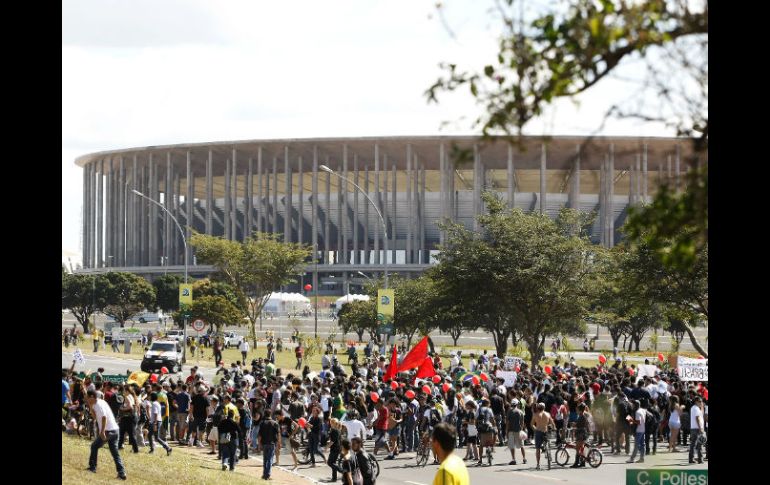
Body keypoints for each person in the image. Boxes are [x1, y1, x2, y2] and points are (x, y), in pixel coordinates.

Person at [85, 389, 127, 480]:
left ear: (92, 397)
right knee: (115, 453)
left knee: (94, 446)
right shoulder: (99, 402)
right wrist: (91, 407)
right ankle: (122, 473)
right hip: (115, 430)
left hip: (108, 431)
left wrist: (102, 431)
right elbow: (95, 417)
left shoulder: (99, 405)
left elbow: (104, 417)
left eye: (87, 397)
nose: (86, 399)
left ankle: (92, 468)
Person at [531, 402, 555, 471]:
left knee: (538, 448)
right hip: (546, 431)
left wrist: (535, 429)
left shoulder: (535, 414)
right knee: (548, 443)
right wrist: (553, 428)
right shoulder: (547, 414)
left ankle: (538, 464)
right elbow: (552, 423)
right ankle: (549, 453)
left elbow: (532, 424)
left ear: (538, 408)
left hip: (538, 431)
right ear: (544, 408)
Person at [258, 409, 280, 480]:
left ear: (264, 414)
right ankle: (267, 474)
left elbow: (259, 435)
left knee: (265, 459)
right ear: (271, 414)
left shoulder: (262, 423)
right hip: (272, 443)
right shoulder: (275, 423)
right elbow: (278, 434)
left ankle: (264, 474)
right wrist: (279, 443)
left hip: (264, 443)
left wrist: (259, 444)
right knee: (270, 459)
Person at [505, 398, 526, 465]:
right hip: (518, 430)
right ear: (517, 404)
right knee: (521, 445)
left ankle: (514, 459)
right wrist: (521, 429)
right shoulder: (520, 412)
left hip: (511, 430)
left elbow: (507, 422)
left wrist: (506, 430)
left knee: (512, 446)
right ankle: (524, 458)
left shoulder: (509, 412)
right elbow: (522, 422)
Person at [571, 403, 589, 468]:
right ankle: (582, 462)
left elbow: (578, 425)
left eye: (577, 410)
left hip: (581, 433)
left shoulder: (582, 416)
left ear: (580, 410)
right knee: (581, 448)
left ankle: (576, 463)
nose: (576, 411)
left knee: (577, 448)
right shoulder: (583, 415)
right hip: (582, 433)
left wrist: (574, 424)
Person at [688, 396, 705, 464]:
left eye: (701, 401)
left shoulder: (695, 408)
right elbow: (697, 418)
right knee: (699, 444)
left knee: (693, 444)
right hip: (697, 428)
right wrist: (700, 428)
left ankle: (691, 458)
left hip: (694, 428)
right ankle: (700, 459)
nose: (701, 403)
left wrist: (702, 407)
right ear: (696, 402)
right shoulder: (695, 408)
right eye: (700, 401)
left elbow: (701, 415)